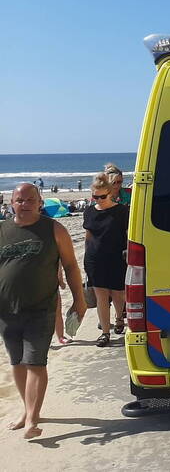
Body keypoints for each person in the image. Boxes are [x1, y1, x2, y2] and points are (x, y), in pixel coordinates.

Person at [1, 183, 86, 439]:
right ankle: (26, 411)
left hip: (41, 308)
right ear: (11, 203)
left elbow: (71, 266)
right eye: (19, 200)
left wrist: (79, 300)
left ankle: (32, 420)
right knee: (17, 362)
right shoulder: (3, 230)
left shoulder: (54, 229)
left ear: (39, 203)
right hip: (6, 311)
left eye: (29, 200)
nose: (24, 204)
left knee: (35, 362)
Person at [82, 173, 129, 347]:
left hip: (117, 258)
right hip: (95, 259)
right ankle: (105, 332)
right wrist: (86, 260)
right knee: (101, 295)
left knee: (117, 293)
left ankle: (119, 318)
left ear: (110, 193)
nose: (99, 200)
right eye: (95, 196)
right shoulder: (89, 212)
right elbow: (88, 237)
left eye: (102, 196)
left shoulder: (122, 211)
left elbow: (127, 236)